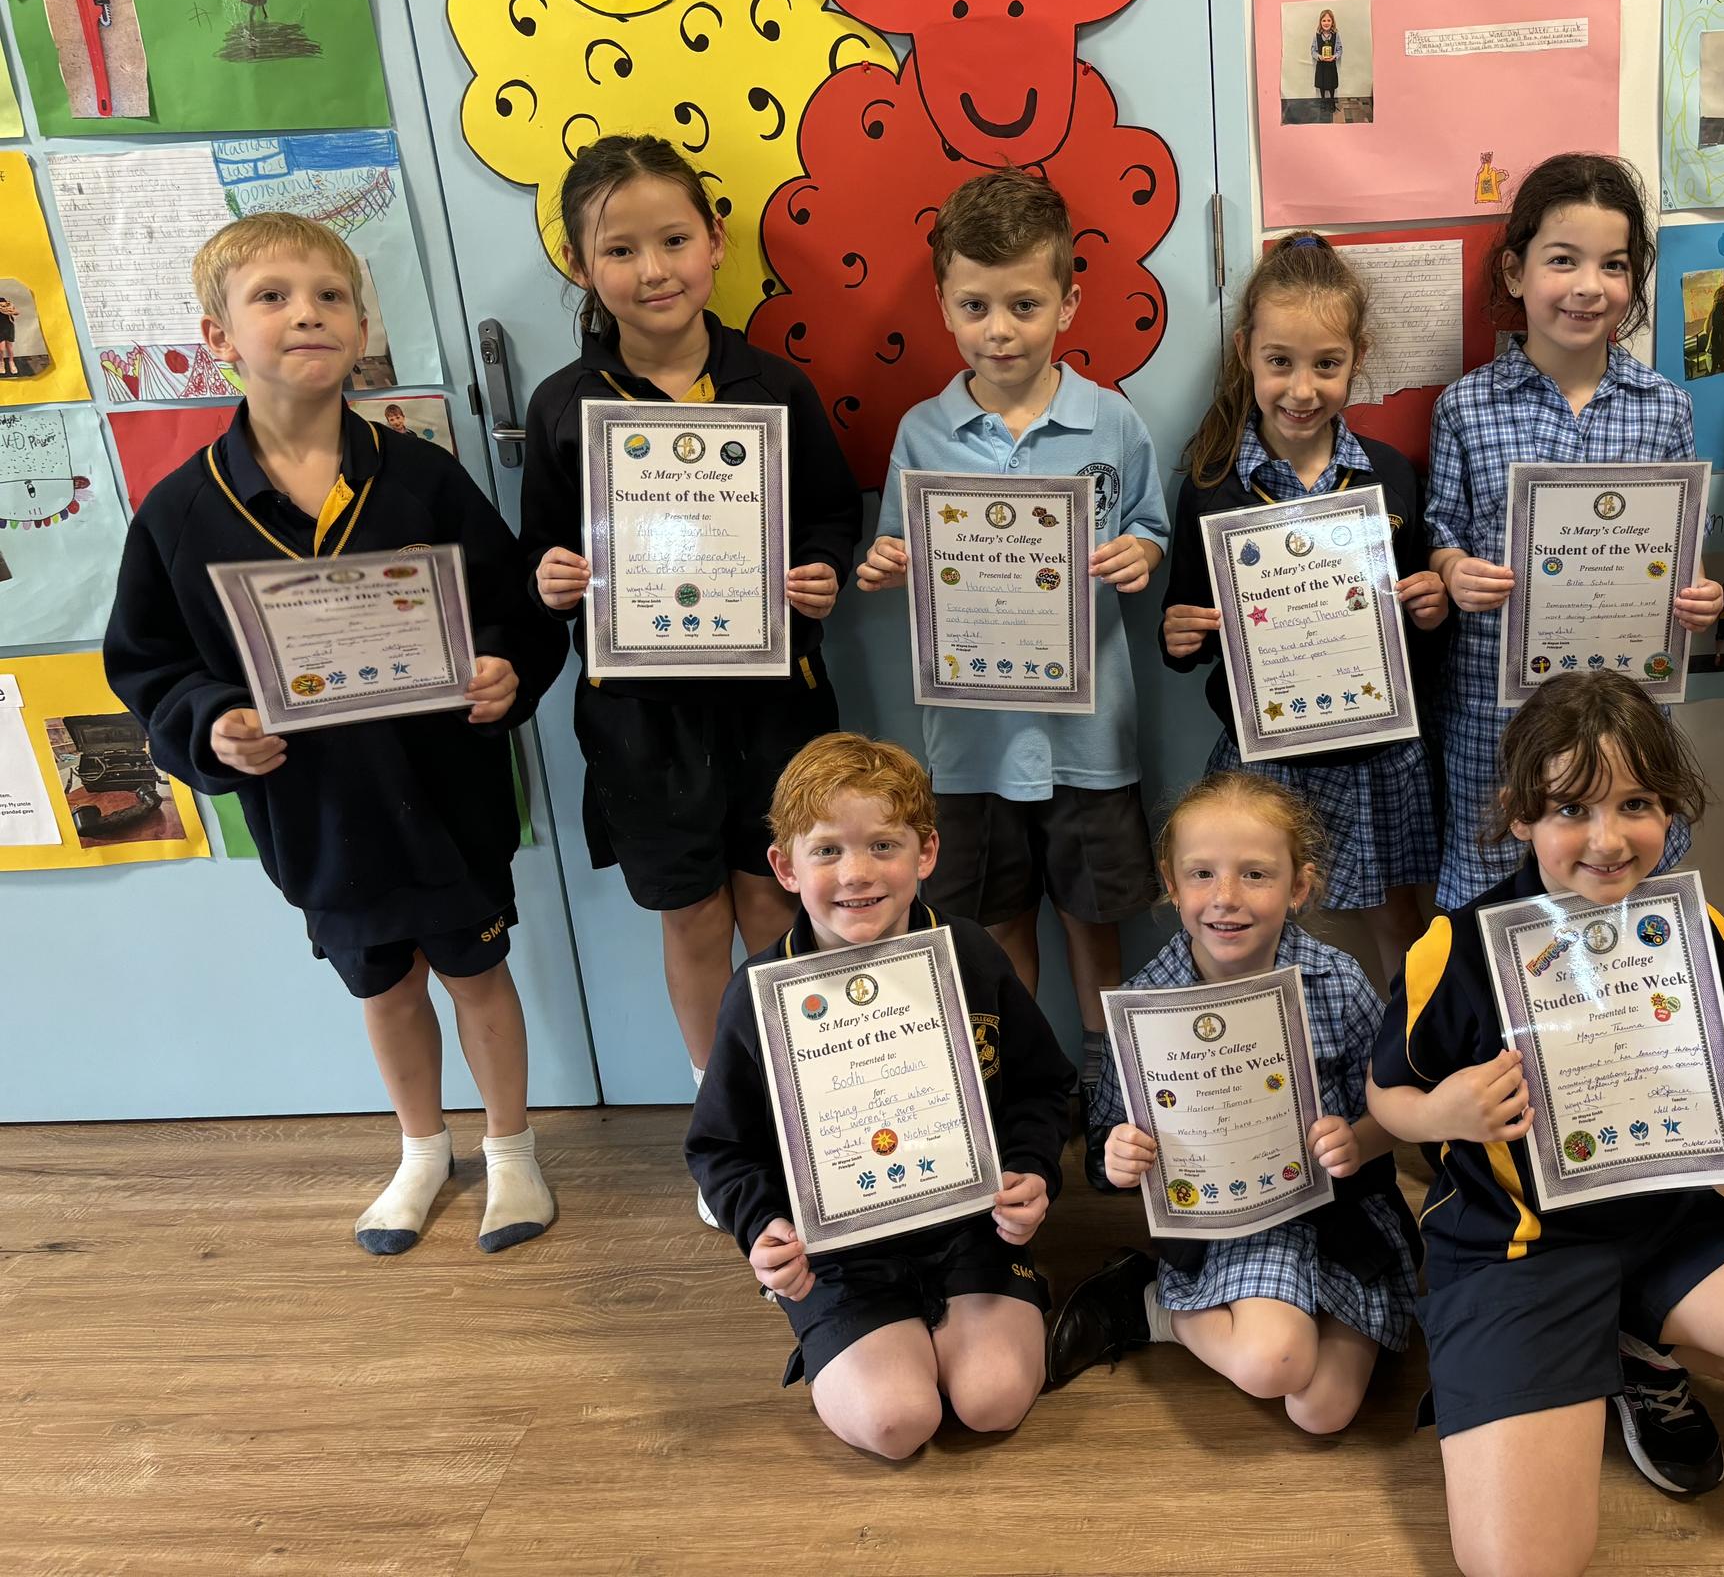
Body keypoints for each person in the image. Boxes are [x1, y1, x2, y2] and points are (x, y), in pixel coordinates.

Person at [1366, 673, 1724, 1572]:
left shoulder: (1702, 935)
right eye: (1571, 809)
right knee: (1521, 1565)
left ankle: (1635, 1340)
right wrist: (1441, 1111)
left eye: (1636, 804)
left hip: (1667, 1226)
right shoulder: (1456, 947)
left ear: (1669, 810)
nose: (1608, 838)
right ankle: (1568, 1348)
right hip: (1518, 1248)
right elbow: (1386, 1094)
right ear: (1520, 815)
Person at [104, 213, 567, 1256]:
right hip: (318, 811)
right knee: (384, 985)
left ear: (361, 328)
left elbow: (512, 610)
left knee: (477, 974)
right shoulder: (179, 512)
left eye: (330, 295)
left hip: (446, 794)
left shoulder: (424, 479)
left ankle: (511, 1150)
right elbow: (147, 665)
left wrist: (506, 667)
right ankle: (420, 1151)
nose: (305, 314)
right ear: (219, 336)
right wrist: (212, 725)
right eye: (270, 296)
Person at [517, 134, 861, 1220]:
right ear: (581, 265)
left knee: (776, 895)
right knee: (692, 913)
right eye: (620, 250)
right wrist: (553, 579)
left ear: (715, 242)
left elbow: (831, 518)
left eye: (672, 240)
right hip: (641, 717)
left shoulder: (775, 386)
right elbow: (540, 552)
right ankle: (727, 1121)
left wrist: (822, 574)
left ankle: (804, 1098)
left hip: (773, 703)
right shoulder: (565, 405)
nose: (652, 269)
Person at [855, 167, 1170, 1136]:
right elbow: (899, 546)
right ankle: (1020, 1095)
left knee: (1095, 923)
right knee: (991, 932)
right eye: (976, 306)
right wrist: (887, 562)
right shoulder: (924, 432)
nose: (1001, 330)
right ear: (945, 305)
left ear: (1068, 304)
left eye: (1025, 305)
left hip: (1089, 737)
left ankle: (1108, 1089)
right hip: (970, 745)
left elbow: (1151, 529)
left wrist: (1141, 553)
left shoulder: (1113, 422)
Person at [685, 734, 1078, 1460]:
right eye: (827, 850)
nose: (857, 873)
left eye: (883, 846)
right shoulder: (757, 996)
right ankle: (873, 1338)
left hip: (972, 1229)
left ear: (926, 853)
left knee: (992, 1401)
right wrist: (764, 1227)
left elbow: (1043, 1084)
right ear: (785, 867)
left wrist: (1032, 1170)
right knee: (897, 1422)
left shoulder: (969, 953)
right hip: (839, 1255)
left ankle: (956, 1329)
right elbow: (720, 1147)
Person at [1046, 772, 1419, 1433]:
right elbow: (1106, 1146)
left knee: (1323, 1411)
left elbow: (1398, 1102)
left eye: (1255, 874)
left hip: (1344, 1212)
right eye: (1202, 874)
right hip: (1233, 1224)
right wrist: (1120, 1154)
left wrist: (1358, 1140)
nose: (1225, 898)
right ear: (1171, 883)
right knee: (1273, 1364)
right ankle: (1153, 1305)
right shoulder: (1146, 1005)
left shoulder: (1336, 980)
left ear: (1298, 886)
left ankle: (1223, 1313)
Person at [1428, 152, 1724, 912]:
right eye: (1563, 260)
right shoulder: (1467, 405)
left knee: (1618, 883)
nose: (1589, 286)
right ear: (1515, 271)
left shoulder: (1664, 406)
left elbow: (1680, 550)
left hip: (1626, 711)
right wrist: (1454, 568)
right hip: (1495, 706)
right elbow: (1441, 528)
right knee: (1492, 896)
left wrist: (1699, 595)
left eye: (1614, 265)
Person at [1155, 232, 1449, 983]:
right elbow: (1186, 629)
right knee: (1252, 923)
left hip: (1374, 753)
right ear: (1247, 354)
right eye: (1279, 362)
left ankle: (1406, 1043)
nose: (1302, 389)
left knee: (1397, 920)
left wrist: (1430, 607)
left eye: (1327, 365)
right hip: (1266, 753)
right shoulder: (1213, 483)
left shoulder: (1388, 475)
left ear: (1357, 358)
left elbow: (1415, 622)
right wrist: (1180, 634)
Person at [1311, 9, 1341, 119]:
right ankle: (1323, 100)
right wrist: (1319, 56)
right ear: (1320, 22)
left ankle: (1332, 100)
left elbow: (1340, 49)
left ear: (1332, 22)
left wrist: (1335, 56)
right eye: (1324, 20)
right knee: (1322, 83)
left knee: (1332, 83)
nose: (1326, 23)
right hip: (1321, 65)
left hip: (1331, 65)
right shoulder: (1317, 36)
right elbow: (1313, 50)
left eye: (1329, 20)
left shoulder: (1336, 35)